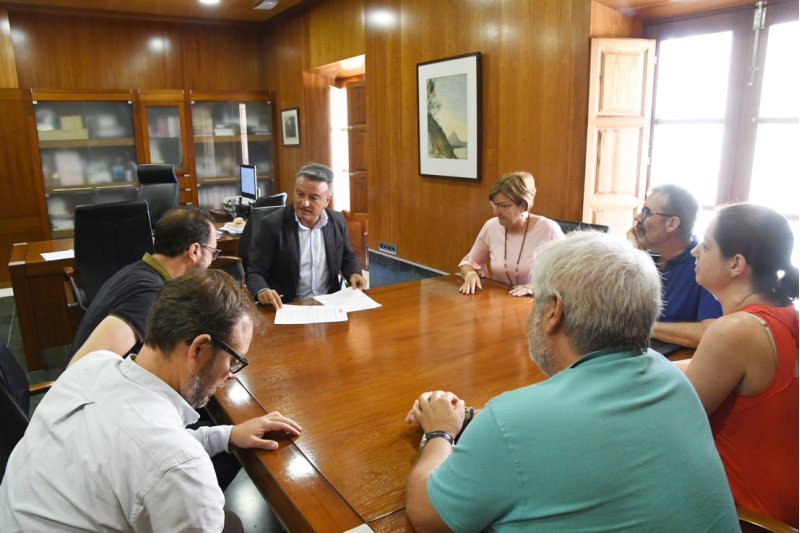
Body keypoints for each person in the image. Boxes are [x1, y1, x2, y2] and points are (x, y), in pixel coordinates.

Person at [405, 232, 738, 532]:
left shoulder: (511, 421)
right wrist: (472, 419)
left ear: (553, 312)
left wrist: (439, 433)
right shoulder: (672, 378)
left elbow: (426, 516)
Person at [0, 270, 302, 531]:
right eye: (234, 360)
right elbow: (162, 458)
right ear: (199, 349)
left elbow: (142, 449)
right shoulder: (181, 469)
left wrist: (228, 435)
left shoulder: (91, 366)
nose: (230, 375)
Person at [678, 203, 798, 526]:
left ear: (736, 264)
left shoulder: (735, 330)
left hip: (745, 514)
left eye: (705, 245)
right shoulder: (787, 315)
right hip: (784, 502)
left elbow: (675, 420)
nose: (694, 253)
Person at [68, 206, 218, 365]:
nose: (212, 259)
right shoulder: (148, 296)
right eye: (212, 252)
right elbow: (81, 367)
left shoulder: (138, 271)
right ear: (194, 251)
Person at [246, 162, 365, 308]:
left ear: (327, 200)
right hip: (288, 306)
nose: (304, 203)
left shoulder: (337, 221)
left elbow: (347, 256)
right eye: (300, 194)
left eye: (313, 198)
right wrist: (262, 290)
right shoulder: (272, 225)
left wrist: (354, 273)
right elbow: (255, 272)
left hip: (329, 304)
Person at [628, 184, 722, 348]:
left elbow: (709, 333)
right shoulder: (644, 255)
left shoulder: (707, 264)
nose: (637, 218)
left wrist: (643, 327)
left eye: (647, 212)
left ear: (672, 224)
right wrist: (632, 255)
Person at [458, 171, 564, 297]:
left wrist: (535, 287)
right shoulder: (491, 227)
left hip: (536, 302)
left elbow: (569, 275)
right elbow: (468, 263)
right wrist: (470, 275)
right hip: (500, 301)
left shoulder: (548, 229)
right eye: (494, 205)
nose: (496, 212)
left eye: (503, 206)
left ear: (523, 205)